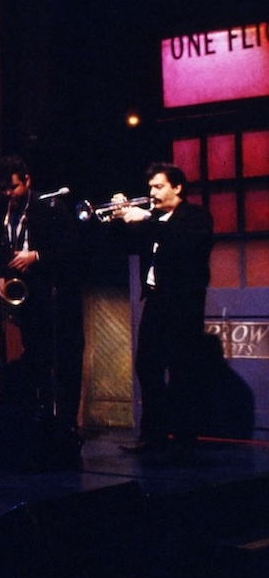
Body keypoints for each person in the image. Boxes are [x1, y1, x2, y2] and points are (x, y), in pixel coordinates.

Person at [111, 162, 214, 455]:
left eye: (159, 186)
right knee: (147, 367)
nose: (152, 193)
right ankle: (153, 436)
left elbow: (184, 245)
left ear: (177, 187)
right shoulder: (152, 218)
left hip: (183, 303)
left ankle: (183, 439)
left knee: (181, 370)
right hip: (156, 302)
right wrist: (120, 218)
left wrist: (146, 218)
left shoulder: (195, 216)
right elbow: (124, 246)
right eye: (150, 187)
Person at [0, 155, 85, 425]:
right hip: (27, 299)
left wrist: (37, 256)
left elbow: (72, 247)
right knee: (35, 358)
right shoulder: (1, 210)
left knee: (62, 361)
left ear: (27, 180)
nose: (9, 194)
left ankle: (65, 423)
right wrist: (2, 275)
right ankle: (38, 418)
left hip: (53, 296)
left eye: (14, 187)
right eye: (4, 189)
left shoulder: (49, 206)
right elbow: (0, 248)